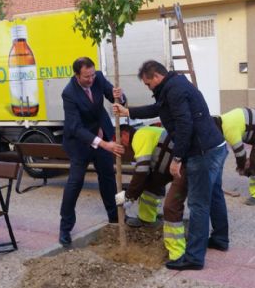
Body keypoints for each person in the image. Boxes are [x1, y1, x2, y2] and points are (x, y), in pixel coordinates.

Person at [114, 60, 228, 271]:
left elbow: (185, 125)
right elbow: (157, 108)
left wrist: (177, 159)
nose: (149, 88)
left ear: (156, 76)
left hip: (202, 152)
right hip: (216, 146)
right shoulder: (175, 86)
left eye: (148, 84)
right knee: (214, 194)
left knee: (198, 204)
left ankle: (194, 257)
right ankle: (220, 238)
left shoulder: (174, 90)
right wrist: (128, 112)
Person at [59, 57, 125, 246]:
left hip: (101, 132)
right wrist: (104, 144)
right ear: (77, 75)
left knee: (107, 178)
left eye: (92, 75)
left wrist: (119, 96)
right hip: (80, 143)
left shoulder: (98, 78)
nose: (91, 79)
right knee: (75, 183)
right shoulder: (69, 93)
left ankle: (115, 218)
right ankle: (65, 228)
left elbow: (115, 98)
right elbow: (75, 128)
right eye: (86, 77)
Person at [114, 125, 188, 262]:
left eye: (118, 139)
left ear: (125, 134)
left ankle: (178, 253)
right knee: (150, 185)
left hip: (180, 164)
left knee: (172, 206)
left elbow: (141, 170)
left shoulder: (139, 136)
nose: (120, 144)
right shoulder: (145, 133)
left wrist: (129, 196)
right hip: (167, 164)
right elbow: (146, 171)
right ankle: (147, 219)